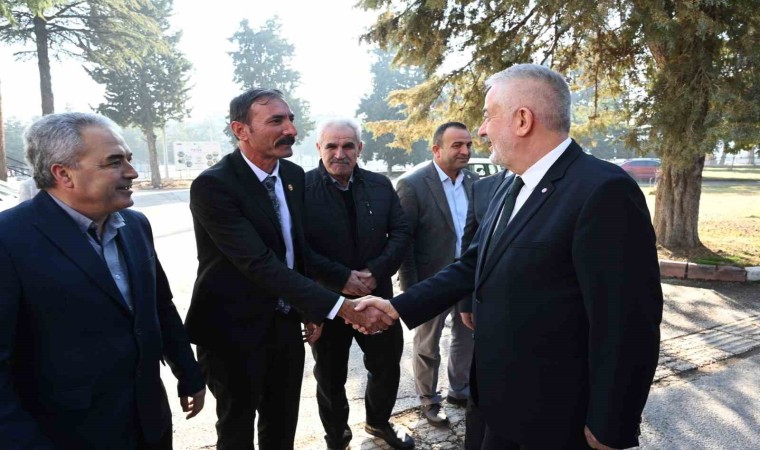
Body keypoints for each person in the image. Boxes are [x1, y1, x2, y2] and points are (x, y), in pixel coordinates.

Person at [357, 64, 663, 450]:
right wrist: (397, 307)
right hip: (492, 401)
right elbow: (474, 264)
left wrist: (611, 424)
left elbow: (627, 321)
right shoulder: (507, 184)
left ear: (522, 120)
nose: (482, 130)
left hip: (554, 415)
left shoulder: (604, 191)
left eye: (489, 116)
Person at [185, 89, 392, 450]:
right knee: (236, 431)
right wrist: (339, 307)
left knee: (281, 427)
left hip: (284, 328)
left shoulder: (293, 176)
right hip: (232, 333)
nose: (291, 130)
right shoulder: (214, 185)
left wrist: (308, 310)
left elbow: (296, 250)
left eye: (291, 120)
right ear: (241, 130)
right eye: (276, 121)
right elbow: (259, 263)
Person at [0, 112, 206, 450]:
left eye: (129, 158)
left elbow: (159, 306)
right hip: (66, 435)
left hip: (148, 422)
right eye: (114, 162)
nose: (132, 172)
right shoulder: (9, 240)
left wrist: (188, 372)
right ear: (63, 173)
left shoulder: (135, 226)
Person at [303, 119, 413, 450]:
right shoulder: (302, 188)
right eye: (331, 146)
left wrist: (375, 272)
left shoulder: (379, 185)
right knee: (330, 376)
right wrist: (340, 277)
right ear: (319, 148)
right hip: (328, 301)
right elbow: (297, 246)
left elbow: (401, 231)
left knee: (386, 364)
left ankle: (378, 423)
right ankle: (337, 436)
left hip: (376, 298)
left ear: (359, 148)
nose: (340, 153)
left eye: (348, 146)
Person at [395, 121, 478, 426]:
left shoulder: (475, 183)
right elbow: (404, 241)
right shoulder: (412, 184)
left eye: (468, 144)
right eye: (457, 145)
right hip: (431, 281)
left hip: (467, 277)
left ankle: (460, 390)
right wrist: (411, 289)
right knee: (427, 345)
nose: (465, 151)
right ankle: (429, 399)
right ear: (436, 149)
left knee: (466, 336)